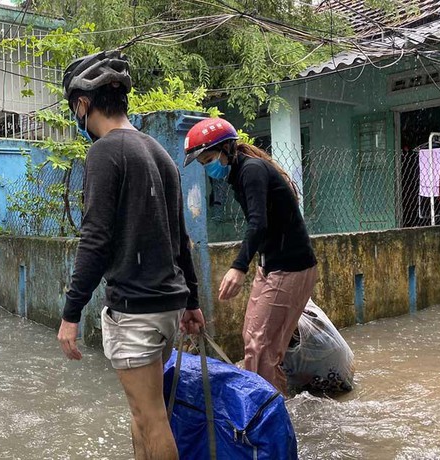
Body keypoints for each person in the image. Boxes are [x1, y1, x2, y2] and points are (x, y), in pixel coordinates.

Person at [57, 50, 206, 460]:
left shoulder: (104, 152)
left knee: (151, 417)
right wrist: (192, 301)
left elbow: (95, 238)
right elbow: (182, 240)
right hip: (167, 306)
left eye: (76, 109)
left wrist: (71, 314)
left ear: (83, 104)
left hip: (136, 307)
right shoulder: (161, 153)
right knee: (142, 415)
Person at [182, 117, 318, 396]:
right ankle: (271, 407)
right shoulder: (241, 173)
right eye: (203, 163)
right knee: (254, 341)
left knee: (259, 346)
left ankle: (263, 417)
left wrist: (238, 267)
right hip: (272, 266)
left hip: (289, 267)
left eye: (209, 159)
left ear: (228, 149)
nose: (208, 168)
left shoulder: (251, 170)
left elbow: (258, 223)